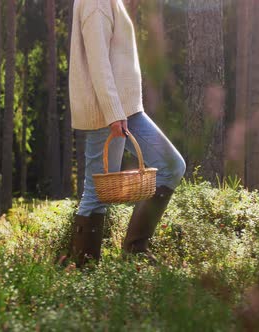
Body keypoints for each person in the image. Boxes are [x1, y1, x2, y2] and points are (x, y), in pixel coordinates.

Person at [68, 0, 186, 267]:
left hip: (128, 110)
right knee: (96, 192)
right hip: (109, 112)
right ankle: (84, 269)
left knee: (172, 166)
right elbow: (98, 62)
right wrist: (112, 113)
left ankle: (135, 250)